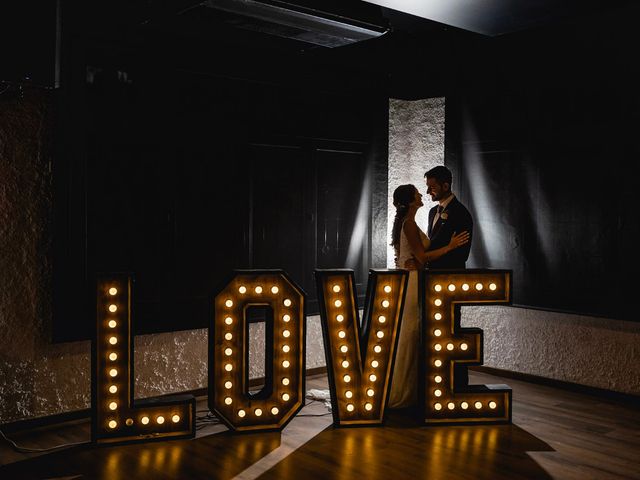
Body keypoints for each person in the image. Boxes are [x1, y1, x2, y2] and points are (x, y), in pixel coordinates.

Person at [388, 184, 469, 408]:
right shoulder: (410, 224)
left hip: (414, 279)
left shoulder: (410, 222)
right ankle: (403, 390)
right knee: (411, 333)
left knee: (413, 333)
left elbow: (412, 256)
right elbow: (422, 257)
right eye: (417, 193)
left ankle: (411, 387)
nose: (422, 193)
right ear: (410, 201)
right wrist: (451, 246)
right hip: (413, 282)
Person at [424, 165, 473, 269]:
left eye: (432, 187)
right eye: (427, 187)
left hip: (449, 276)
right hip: (430, 274)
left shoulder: (461, 213)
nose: (427, 192)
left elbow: (462, 255)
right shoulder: (432, 212)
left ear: (445, 186)